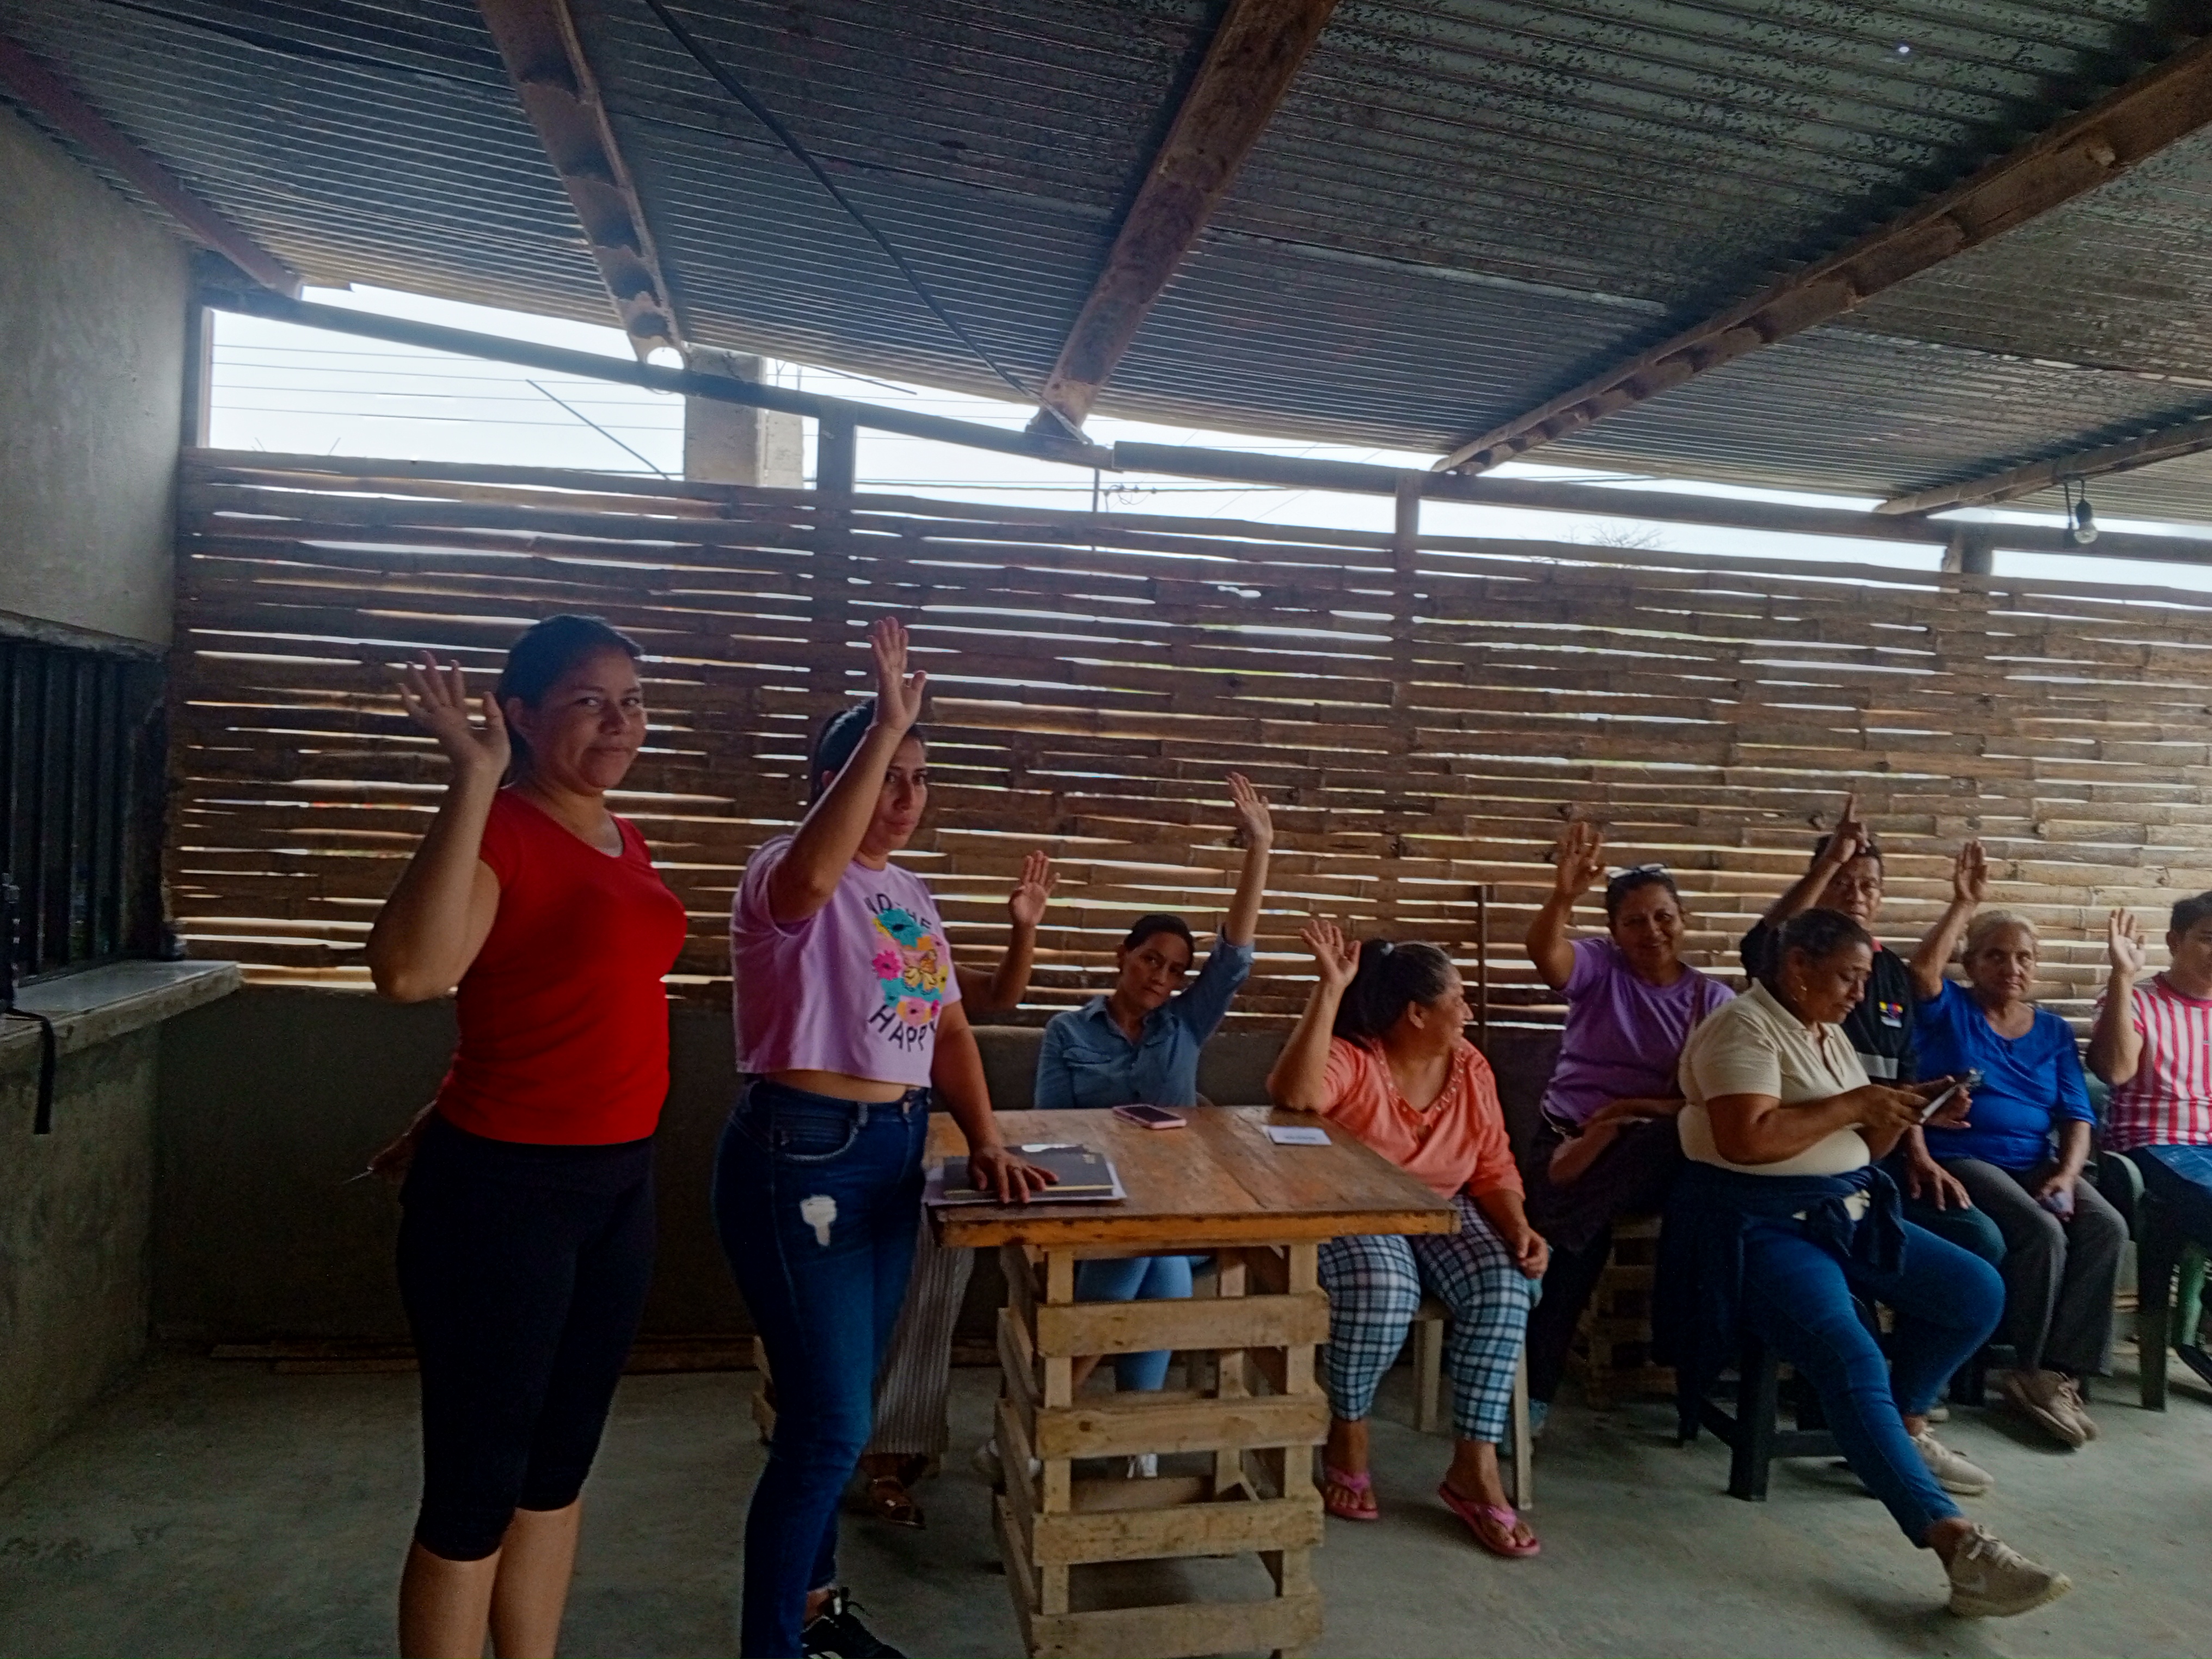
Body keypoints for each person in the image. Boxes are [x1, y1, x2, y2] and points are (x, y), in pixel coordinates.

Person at [720, 616, 1051, 1659]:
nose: (903, 797)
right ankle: (773, 1645)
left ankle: (813, 1612)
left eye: (917, 777)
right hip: (803, 1155)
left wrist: (983, 1136)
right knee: (827, 1428)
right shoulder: (783, 872)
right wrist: (882, 722)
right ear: (828, 782)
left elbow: (946, 1027)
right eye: (882, 774)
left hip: (892, 1152)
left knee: (840, 1413)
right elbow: (810, 881)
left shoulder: (909, 895)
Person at [362, 617, 691, 1659]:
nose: (620, 721)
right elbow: (413, 972)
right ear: (519, 713)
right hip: (505, 1197)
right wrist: (472, 776)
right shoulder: (501, 827)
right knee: (477, 1483)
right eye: (590, 700)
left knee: (556, 1469)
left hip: (617, 1184)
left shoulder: (621, 835)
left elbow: (550, 998)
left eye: (632, 700)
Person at [1663, 907, 2068, 1619]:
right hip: (1765, 1228)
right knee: (1850, 1358)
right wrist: (1855, 1104)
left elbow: (1861, 1146)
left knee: (1975, 1290)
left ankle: (1899, 1430)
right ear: (1797, 967)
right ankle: (1956, 1545)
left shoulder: (1826, 1032)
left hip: (1844, 1211)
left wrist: (1898, 1116)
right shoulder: (1743, 1029)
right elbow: (1743, 1140)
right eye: (1848, 977)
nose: (1860, 993)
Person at [1268, 921, 1548, 1559]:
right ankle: (1347, 1434)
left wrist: (1518, 1227)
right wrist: (1329, 990)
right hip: (1358, 1207)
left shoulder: (1469, 1067)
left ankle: (1473, 1465)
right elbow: (1294, 1094)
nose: (1467, 1011)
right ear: (1416, 1013)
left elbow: (1491, 1164)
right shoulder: (1356, 1059)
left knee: (1506, 1285)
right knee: (1384, 1288)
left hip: (1444, 1206)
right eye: (1457, 999)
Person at [1034, 773, 1274, 1441]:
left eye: (1173, 970)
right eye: (1149, 960)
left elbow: (1233, 958)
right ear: (1122, 956)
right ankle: (1137, 1441)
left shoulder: (1185, 1024)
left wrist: (1258, 847)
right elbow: (1048, 1131)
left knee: (1153, 1249)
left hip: (1182, 1208)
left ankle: (1048, 1410)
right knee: (1152, 1260)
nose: (1160, 977)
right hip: (1097, 1209)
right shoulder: (1067, 1032)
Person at [857, 851, 1056, 1528]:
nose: (903, 801)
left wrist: (1023, 928)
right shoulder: (800, 898)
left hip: (907, 1126)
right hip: (818, 1136)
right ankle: (847, 1442)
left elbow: (990, 998)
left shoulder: (904, 919)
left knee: (940, 1249)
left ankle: (893, 1445)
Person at [1908, 843, 2123, 1447]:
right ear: (1971, 963)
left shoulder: (2051, 1029)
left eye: (2023, 957)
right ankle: (2025, 1368)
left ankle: (2059, 1372)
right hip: (1964, 1154)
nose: (2011, 967)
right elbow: (1920, 974)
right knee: (2040, 1230)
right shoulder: (1949, 1009)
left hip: (2035, 1160)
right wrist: (1962, 904)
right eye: (1995, 955)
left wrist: (2067, 1173)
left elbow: (2076, 1114)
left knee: (2105, 1225)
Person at [1520, 821, 1732, 1429]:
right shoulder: (1600, 967)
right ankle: (1531, 1401)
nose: (1651, 931)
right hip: (1568, 1143)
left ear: (1684, 920)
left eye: (1663, 917)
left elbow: (1709, 1103)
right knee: (1582, 1251)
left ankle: (1559, 1228)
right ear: (1614, 930)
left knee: (1663, 1141)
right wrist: (1562, 896)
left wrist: (1626, 1111)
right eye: (1634, 921)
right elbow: (1547, 957)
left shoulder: (1712, 1002)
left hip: (1644, 1152)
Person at [1741, 793, 2004, 1274]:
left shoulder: (1892, 975)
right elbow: (1769, 936)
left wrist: (1919, 1150)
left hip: (1879, 1152)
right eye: (1841, 883)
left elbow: (1904, 1073)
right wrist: (1830, 861)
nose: (1856, 896)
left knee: (1979, 1238)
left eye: (1868, 886)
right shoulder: (1788, 965)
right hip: (1806, 1154)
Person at [2089, 892, 2212, 1292]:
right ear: (2175, 941)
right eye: (2208, 938)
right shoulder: (2135, 1000)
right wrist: (2122, 977)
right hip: (2155, 1144)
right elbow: (2115, 1070)